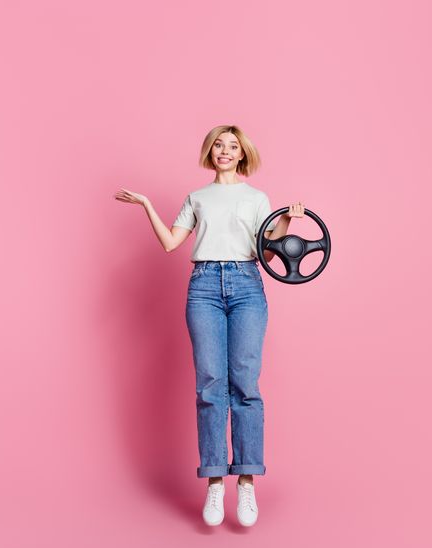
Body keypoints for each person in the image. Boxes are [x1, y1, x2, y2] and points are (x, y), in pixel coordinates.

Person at [114, 125, 304, 527]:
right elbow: (170, 243)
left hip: (247, 285)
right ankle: (215, 480)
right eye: (219, 144)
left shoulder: (257, 198)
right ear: (210, 150)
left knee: (245, 383)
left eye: (233, 146)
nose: (225, 150)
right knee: (210, 383)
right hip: (203, 288)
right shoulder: (196, 198)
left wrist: (286, 220)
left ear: (242, 154)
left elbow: (266, 248)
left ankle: (247, 482)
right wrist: (148, 204)